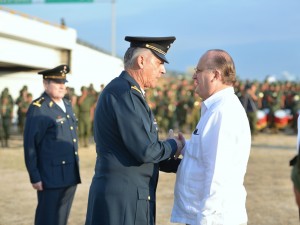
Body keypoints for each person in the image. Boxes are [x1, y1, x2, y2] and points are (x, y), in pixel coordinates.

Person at [85, 36, 184, 225]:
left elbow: (139, 150)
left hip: (127, 195)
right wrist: (174, 144)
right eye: (159, 63)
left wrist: (183, 165)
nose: (163, 70)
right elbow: (146, 151)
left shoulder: (127, 92)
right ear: (141, 61)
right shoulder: (125, 94)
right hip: (123, 200)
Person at [171, 49, 251, 225]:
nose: (194, 77)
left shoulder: (223, 112)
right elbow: (207, 152)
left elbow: (218, 173)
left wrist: (206, 219)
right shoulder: (215, 108)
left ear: (215, 75)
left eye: (198, 71)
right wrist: (185, 146)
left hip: (214, 218)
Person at [23, 65, 81, 225]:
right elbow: (30, 145)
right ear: (45, 84)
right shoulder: (39, 108)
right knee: (47, 218)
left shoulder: (67, 104)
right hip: (50, 176)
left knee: (62, 218)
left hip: (70, 173)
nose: (62, 86)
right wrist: (35, 176)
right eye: (57, 82)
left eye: (64, 82)